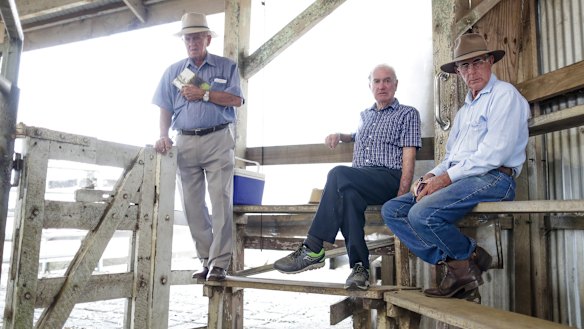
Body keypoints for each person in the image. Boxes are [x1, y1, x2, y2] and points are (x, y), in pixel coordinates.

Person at [381, 33, 530, 298]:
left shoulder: (504, 96)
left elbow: (493, 155)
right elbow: (451, 157)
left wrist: (445, 180)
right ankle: (464, 263)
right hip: (465, 179)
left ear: (490, 62)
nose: (471, 71)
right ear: (458, 72)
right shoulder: (465, 111)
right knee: (393, 210)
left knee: (421, 214)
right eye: (464, 66)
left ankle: (466, 260)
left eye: (477, 62)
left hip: (496, 178)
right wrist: (430, 175)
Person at [273, 64, 422, 290]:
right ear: (370, 85)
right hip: (361, 182)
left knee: (337, 173)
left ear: (396, 85)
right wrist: (341, 136)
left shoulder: (407, 114)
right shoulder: (366, 115)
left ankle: (313, 247)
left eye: (387, 80)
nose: (382, 86)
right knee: (349, 196)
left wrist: (400, 198)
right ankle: (360, 268)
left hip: (387, 179)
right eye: (377, 81)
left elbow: (408, 160)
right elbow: (361, 136)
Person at [153, 12, 244, 281]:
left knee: (220, 200)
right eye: (187, 38)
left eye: (196, 37)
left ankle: (219, 263)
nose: (192, 42)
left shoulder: (226, 67)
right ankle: (206, 259)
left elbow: (236, 100)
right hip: (184, 140)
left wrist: (204, 93)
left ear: (208, 39)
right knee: (192, 206)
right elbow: (165, 107)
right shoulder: (174, 71)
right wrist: (162, 134)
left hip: (218, 139)